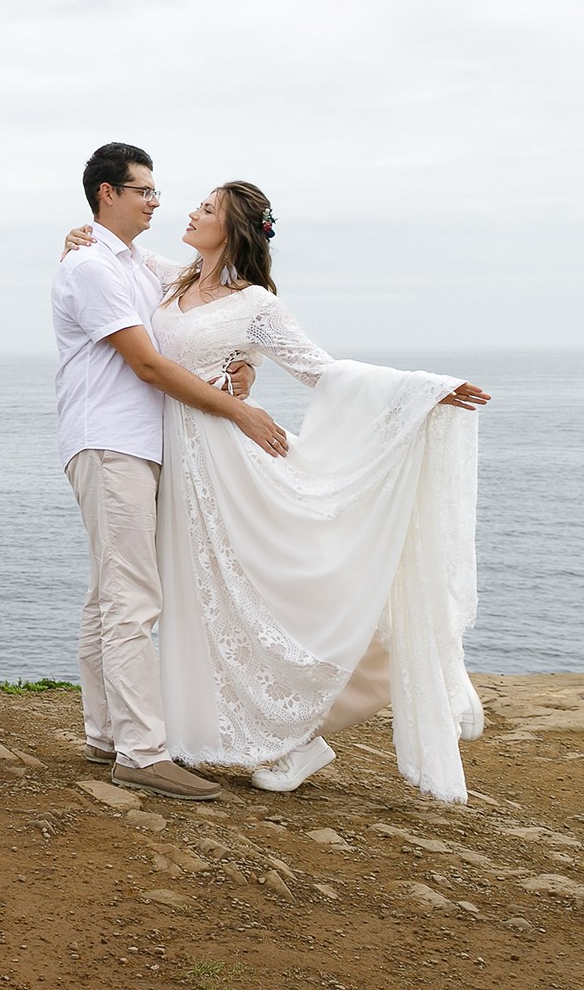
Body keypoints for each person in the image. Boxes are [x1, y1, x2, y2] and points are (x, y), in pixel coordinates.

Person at [63, 182, 490, 801]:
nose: (188, 211)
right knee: (201, 601)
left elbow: (321, 369)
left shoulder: (256, 303)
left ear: (232, 229)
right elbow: (113, 257)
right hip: (179, 464)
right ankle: (253, 738)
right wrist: (76, 235)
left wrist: (423, 391)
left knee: (248, 594)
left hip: (227, 460)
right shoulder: (168, 278)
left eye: (206, 209)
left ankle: (298, 732)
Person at [51, 143, 292, 803]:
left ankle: (107, 734)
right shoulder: (95, 265)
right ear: (108, 194)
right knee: (132, 597)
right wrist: (240, 413)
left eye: (158, 191)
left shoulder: (138, 265)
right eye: (145, 191)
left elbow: (212, 315)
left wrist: (249, 363)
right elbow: (150, 366)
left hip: (133, 443)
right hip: (111, 440)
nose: (157, 201)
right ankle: (142, 750)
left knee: (110, 592)